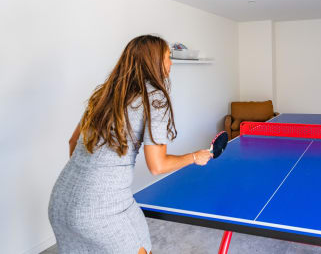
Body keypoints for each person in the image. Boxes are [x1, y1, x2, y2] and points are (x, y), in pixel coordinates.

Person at [48, 35, 213, 254]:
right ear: (153, 62)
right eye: (167, 57)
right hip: (102, 207)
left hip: (62, 198)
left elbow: (73, 141)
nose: (171, 63)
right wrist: (194, 157)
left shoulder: (104, 95)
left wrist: (88, 180)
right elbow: (157, 165)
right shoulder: (154, 98)